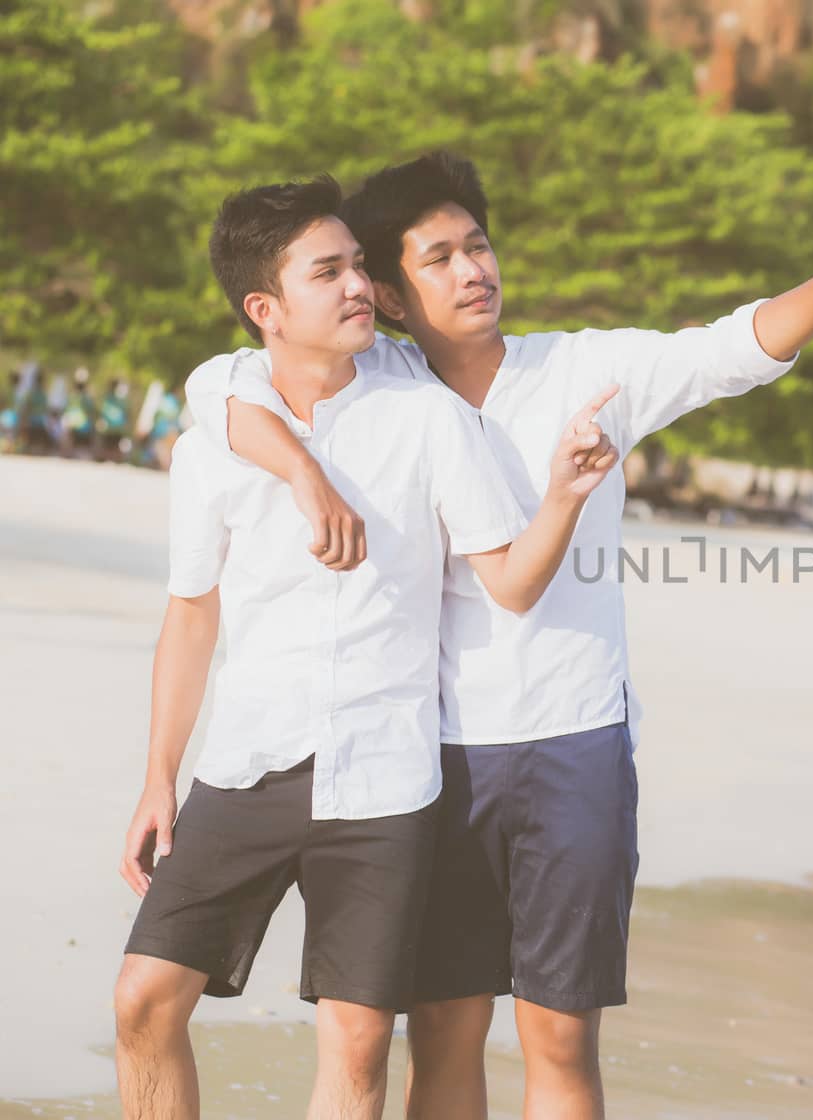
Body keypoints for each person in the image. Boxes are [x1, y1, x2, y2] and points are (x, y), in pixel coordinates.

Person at [185, 150, 813, 1120]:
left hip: (574, 741)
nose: (472, 270)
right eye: (438, 257)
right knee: (444, 1024)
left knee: (559, 1031)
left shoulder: (585, 369)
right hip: (436, 753)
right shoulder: (384, 386)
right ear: (394, 295)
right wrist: (305, 470)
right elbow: (221, 385)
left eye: (478, 246)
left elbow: (725, 350)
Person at [113, 174, 622, 1120]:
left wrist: (562, 495)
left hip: (386, 783)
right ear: (266, 308)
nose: (361, 288)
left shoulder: (427, 414)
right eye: (331, 272)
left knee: (355, 1050)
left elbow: (508, 582)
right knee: (143, 998)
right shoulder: (219, 432)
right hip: (249, 766)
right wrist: (158, 776)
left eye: (360, 266)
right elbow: (192, 614)